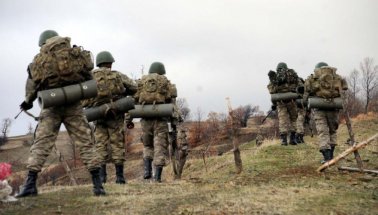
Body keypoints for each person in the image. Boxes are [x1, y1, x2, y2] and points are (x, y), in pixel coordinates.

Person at [17, 30, 106, 197]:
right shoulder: (73, 54)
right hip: (74, 105)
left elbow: (32, 89)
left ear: (42, 44)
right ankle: (98, 185)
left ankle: (30, 184)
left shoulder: (39, 60)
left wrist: (27, 102)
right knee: (86, 142)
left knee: (41, 144)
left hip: (51, 106)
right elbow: (88, 77)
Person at [82, 51, 137, 184]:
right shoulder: (117, 75)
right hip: (115, 113)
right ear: (110, 63)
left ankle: (102, 177)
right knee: (117, 144)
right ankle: (119, 177)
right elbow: (134, 87)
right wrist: (124, 93)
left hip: (98, 115)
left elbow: (82, 95)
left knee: (100, 145)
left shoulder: (90, 76)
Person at [134, 62, 175, 182]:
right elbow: (171, 100)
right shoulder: (164, 81)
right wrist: (173, 120)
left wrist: (128, 119)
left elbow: (135, 99)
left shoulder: (142, 81)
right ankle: (157, 177)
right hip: (160, 119)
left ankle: (147, 171)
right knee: (160, 146)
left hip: (145, 118)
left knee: (147, 145)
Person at [303, 62, 348, 163]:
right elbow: (344, 91)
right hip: (334, 108)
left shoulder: (312, 78)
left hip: (319, 109)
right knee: (332, 131)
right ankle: (331, 155)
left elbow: (306, 95)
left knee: (322, 131)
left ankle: (326, 157)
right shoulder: (337, 77)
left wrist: (305, 104)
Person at [267, 62, 302, 145]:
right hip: (292, 101)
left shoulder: (275, 77)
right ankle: (292, 139)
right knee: (294, 119)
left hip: (280, 102)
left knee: (283, 120)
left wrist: (274, 103)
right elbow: (300, 87)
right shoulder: (292, 75)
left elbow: (271, 91)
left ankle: (284, 140)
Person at [295, 77, 306, 143]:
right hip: (301, 105)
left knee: (299, 121)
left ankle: (299, 136)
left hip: (298, 104)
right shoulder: (302, 83)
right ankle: (299, 136)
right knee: (300, 120)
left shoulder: (293, 83)